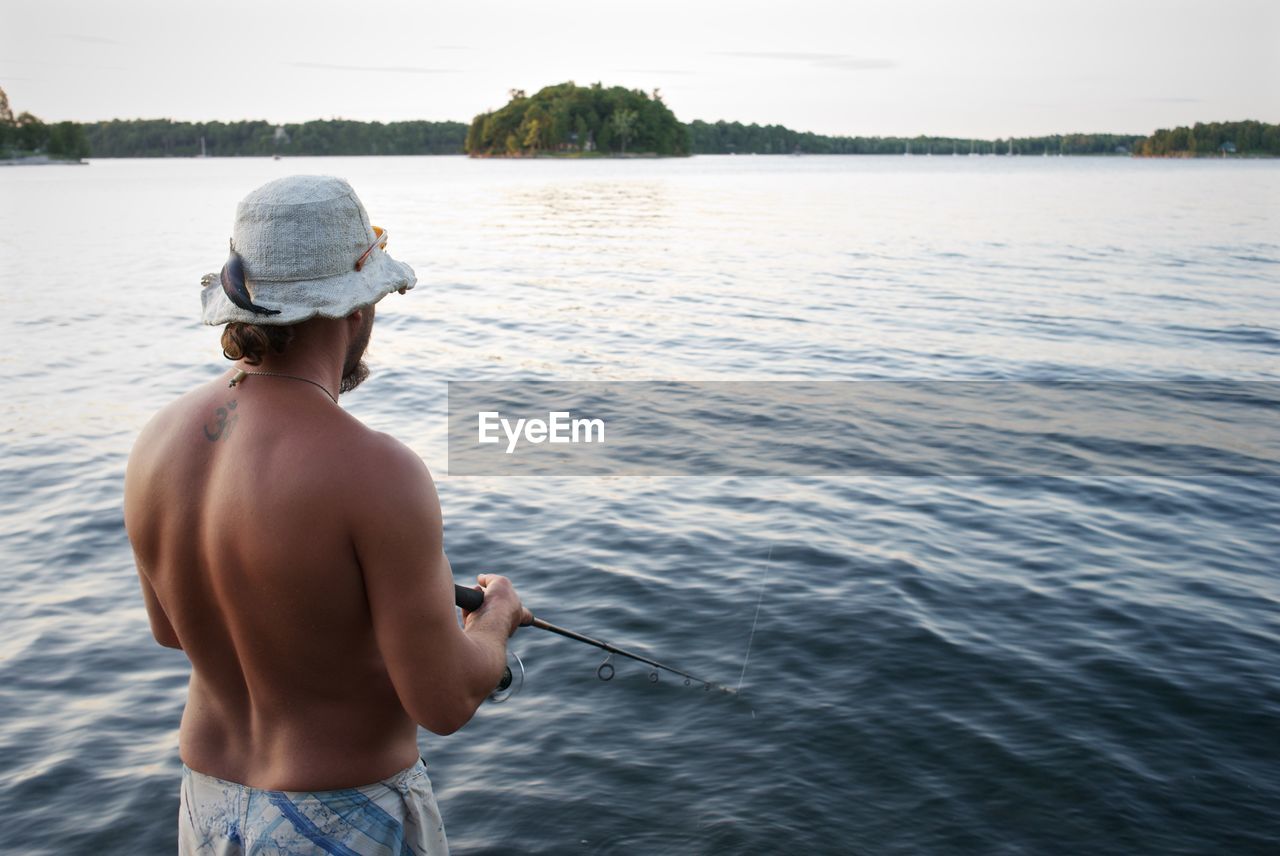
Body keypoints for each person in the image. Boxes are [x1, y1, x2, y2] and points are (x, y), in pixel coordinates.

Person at [124, 175, 529, 855]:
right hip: (342, 816)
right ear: (357, 311)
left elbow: (171, 631)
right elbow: (444, 700)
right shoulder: (377, 471)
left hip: (207, 809)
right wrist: (495, 621)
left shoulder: (157, 441)